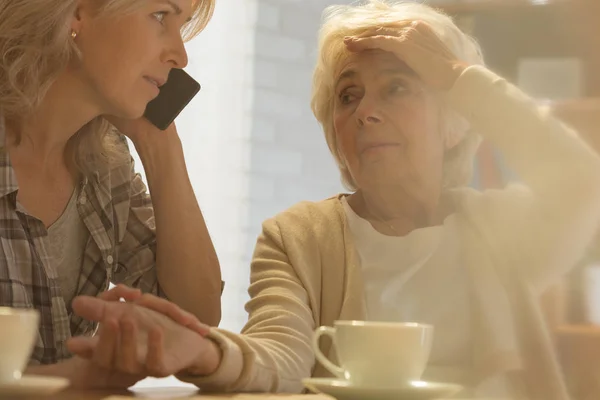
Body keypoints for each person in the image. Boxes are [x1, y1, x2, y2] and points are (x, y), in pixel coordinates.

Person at [70, 1, 600, 398]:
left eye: (397, 88)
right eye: (349, 96)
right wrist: (209, 351)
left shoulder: (502, 228)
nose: (366, 111)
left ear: (456, 120)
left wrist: (458, 78)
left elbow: (581, 181)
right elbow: (281, 355)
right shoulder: (297, 237)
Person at [0, 0, 222, 388]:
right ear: (79, 12)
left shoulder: (107, 163)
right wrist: (78, 380)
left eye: (182, 26)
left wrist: (161, 147)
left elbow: (196, 315)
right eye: (160, 16)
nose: (181, 56)